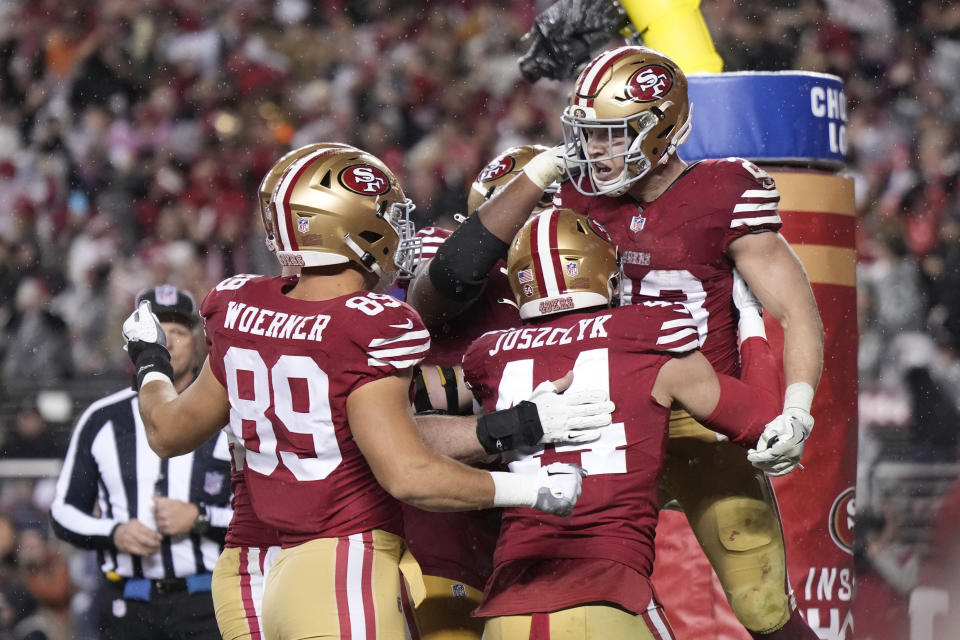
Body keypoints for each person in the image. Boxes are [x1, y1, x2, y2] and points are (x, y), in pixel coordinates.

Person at [120, 145, 608, 640]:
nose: (400, 230)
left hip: (246, 572)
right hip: (337, 563)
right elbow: (408, 473)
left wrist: (150, 360)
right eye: (388, 216)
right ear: (348, 226)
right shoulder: (369, 324)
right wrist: (533, 490)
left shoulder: (239, 306)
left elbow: (168, 431)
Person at [427, 45, 824, 639]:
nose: (595, 151)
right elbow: (458, 270)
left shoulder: (724, 191)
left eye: (614, 135)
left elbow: (796, 311)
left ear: (662, 130)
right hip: (598, 419)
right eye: (588, 134)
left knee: (761, 603)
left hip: (701, 414)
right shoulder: (569, 194)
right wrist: (535, 174)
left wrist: (796, 406)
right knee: (567, 580)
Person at [462, 207, 783, 638]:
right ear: (606, 274)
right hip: (606, 597)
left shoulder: (488, 355)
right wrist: (750, 322)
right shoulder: (649, 332)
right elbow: (763, 419)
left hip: (507, 611)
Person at [50, 285, 232, 640]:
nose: (169, 342)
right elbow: (63, 512)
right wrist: (113, 533)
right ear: (135, 343)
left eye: (179, 332)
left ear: (198, 341)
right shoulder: (102, 419)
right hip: (127, 604)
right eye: (158, 331)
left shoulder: (229, 414)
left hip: (207, 600)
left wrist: (200, 519)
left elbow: (266, 513)